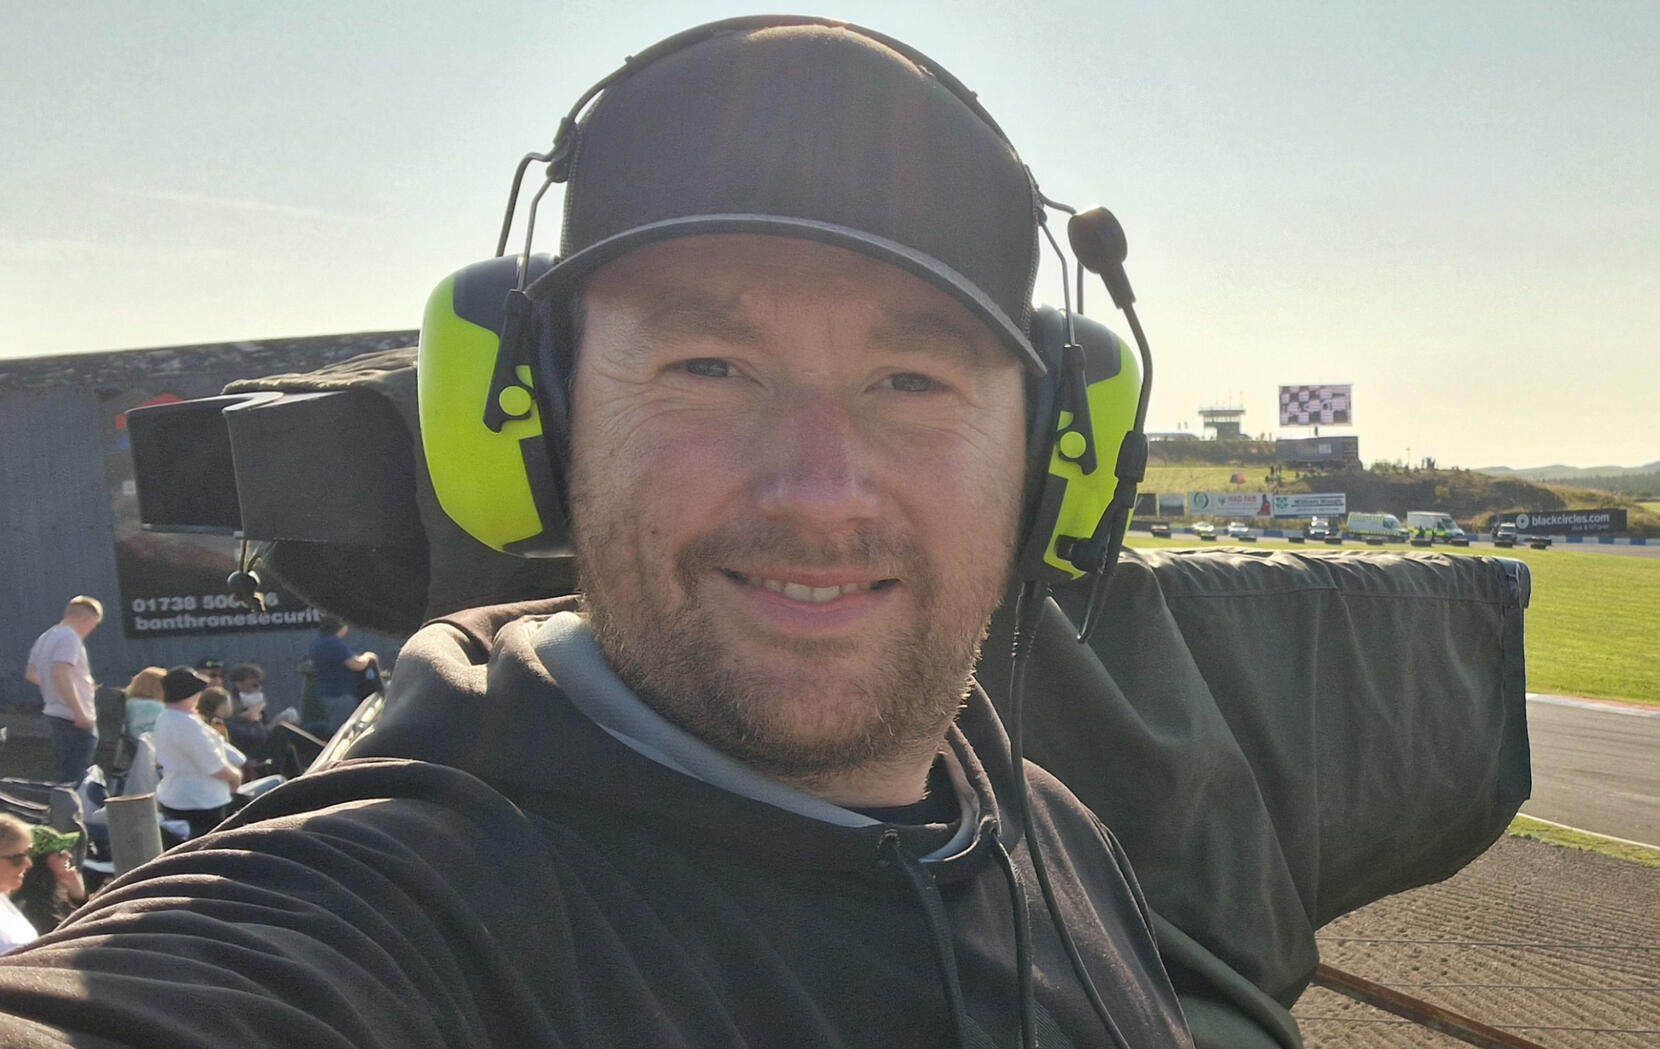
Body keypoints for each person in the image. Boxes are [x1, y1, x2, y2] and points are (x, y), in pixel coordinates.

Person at [0, 18, 1187, 1049]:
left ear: (1052, 461)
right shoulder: (382, 904)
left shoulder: (1050, 831)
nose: (822, 492)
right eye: (708, 365)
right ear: (540, 429)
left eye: (913, 379)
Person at [151, 673, 243, 839]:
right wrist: (235, 777)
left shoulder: (166, 717)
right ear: (190, 695)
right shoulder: (187, 724)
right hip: (202, 801)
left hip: (177, 796)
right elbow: (214, 767)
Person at [20, 598, 101, 785]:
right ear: (86, 619)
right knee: (77, 778)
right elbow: (60, 674)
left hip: (55, 712)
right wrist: (79, 712)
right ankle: (74, 813)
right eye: (93, 625)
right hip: (73, 717)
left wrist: (74, 685)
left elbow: (32, 674)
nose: (91, 631)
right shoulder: (70, 637)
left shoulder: (46, 637)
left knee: (66, 771)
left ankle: (63, 811)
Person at [7, 826, 84, 941]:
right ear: (39, 862)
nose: (68, 856)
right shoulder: (34, 904)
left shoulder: (52, 895)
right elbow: (75, 939)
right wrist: (80, 900)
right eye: (60, 852)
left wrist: (78, 896)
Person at [307, 619, 377, 730]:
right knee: (344, 731)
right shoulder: (332, 643)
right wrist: (368, 657)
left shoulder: (318, 642)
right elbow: (356, 664)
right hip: (341, 696)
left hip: (328, 693)